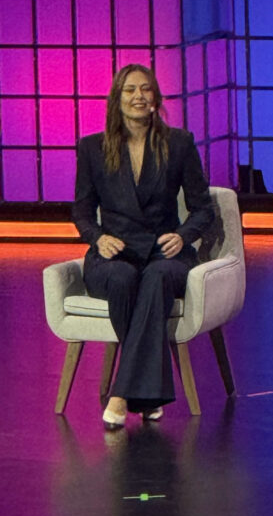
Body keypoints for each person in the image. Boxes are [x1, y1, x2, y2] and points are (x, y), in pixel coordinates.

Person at [72, 63, 214, 430]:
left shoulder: (178, 143)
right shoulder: (92, 148)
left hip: (164, 253)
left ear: (156, 97)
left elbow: (203, 208)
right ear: (116, 99)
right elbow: (82, 211)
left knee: (157, 278)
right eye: (130, 90)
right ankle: (148, 396)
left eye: (146, 89)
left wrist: (183, 235)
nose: (139, 96)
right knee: (120, 279)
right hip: (114, 254)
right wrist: (97, 238)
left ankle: (121, 394)